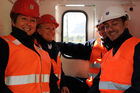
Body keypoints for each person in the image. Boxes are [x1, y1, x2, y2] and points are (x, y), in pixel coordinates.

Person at [0, 0, 52, 93]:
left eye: (32, 20)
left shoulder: (42, 52)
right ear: (13, 22)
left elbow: (50, 83)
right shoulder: (4, 44)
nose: (29, 23)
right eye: (24, 19)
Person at [88, 5, 140, 93]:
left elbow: (138, 88)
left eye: (114, 24)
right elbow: (98, 82)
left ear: (126, 23)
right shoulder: (108, 54)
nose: (110, 29)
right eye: (106, 26)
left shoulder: (137, 47)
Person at [57, 19, 112, 93]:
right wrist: (55, 45)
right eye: (99, 29)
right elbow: (75, 48)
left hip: (107, 88)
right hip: (92, 85)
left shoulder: (119, 46)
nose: (101, 32)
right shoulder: (94, 44)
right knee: (65, 80)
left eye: (103, 28)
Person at [34, 14, 64, 93]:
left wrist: (64, 85)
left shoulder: (55, 47)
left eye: (53, 29)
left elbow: (60, 70)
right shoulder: (36, 47)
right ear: (39, 31)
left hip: (57, 87)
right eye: (48, 28)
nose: (52, 32)